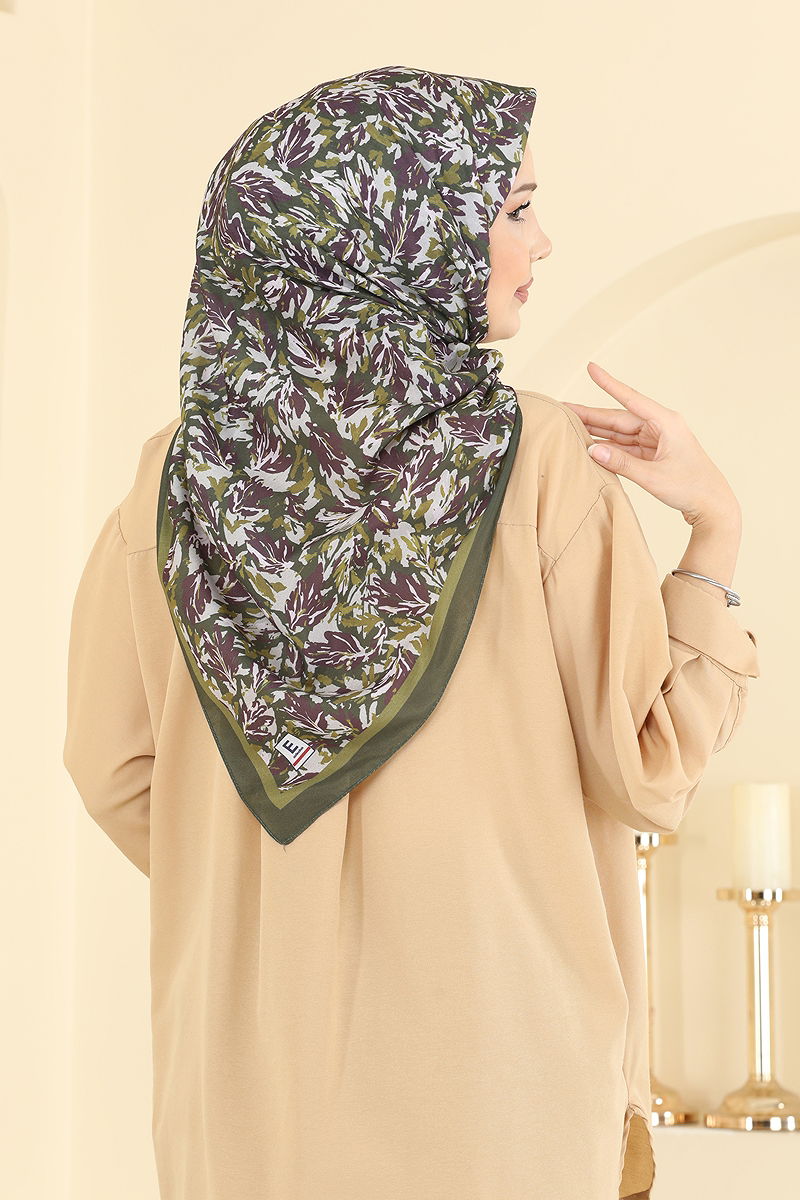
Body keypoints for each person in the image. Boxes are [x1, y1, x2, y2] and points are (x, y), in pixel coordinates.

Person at [63, 65, 759, 1200]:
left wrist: (281, 886)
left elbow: (114, 770)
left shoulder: (175, 485)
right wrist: (714, 531)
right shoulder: (533, 460)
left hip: (243, 1111)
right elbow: (649, 767)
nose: (542, 243)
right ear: (400, 235)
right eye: (513, 210)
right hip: (504, 1101)